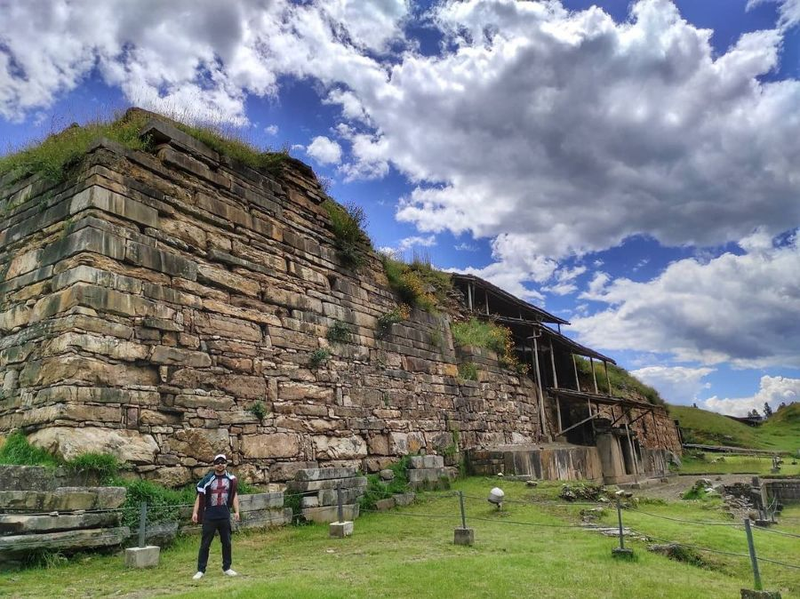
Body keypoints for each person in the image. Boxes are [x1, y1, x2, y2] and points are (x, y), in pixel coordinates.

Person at [192, 454, 240, 579]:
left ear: (226, 464)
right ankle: (201, 570)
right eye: (218, 462)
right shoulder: (207, 480)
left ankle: (227, 567)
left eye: (222, 462)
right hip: (210, 515)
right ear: (214, 465)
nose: (220, 465)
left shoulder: (231, 479)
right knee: (205, 543)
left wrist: (237, 511)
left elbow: (234, 495)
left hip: (224, 514)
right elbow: (200, 496)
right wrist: (195, 512)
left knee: (227, 542)